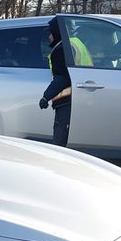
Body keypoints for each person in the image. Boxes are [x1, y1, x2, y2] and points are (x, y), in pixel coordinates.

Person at [39, 16, 73, 147]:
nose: (49, 38)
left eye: (51, 34)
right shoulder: (73, 44)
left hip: (66, 99)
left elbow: (61, 77)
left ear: (57, 33)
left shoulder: (60, 50)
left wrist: (46, 96)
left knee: (60, 139)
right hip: (78, 97)